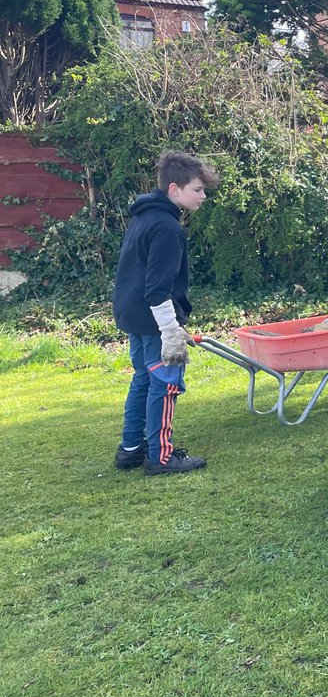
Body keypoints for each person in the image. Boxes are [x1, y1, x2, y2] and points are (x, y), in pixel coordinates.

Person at [112, 150, 219, 475]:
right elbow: (157, 289)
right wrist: (171, 331)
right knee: (166, 380)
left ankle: (131, 449)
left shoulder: (144, 215)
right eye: (197, 190)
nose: (203, 196)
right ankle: (161, 456)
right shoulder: (167, 229)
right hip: (152, 317)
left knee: (144, 378)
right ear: (174, 189)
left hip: (134, 314)